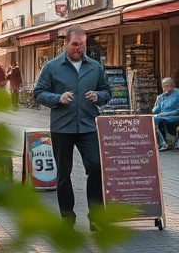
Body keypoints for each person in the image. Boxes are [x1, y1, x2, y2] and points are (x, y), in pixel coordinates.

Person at [33, 27, 112, 229]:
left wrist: (98, 96)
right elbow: (38, 92)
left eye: (82, 44)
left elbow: (107, 91)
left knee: (96, 166)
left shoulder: (95, 67)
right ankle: (67, 218)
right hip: (62, 127)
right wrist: (57, 98)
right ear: (66, 43)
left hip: (88, 125)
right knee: (64, 174)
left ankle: (96, 217)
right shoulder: (52, 67)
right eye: (75, 44)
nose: (79, 48)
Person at [152, 77, 179, 150]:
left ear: (172, 85)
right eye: (163, 86)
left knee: (157, 119)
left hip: (174, 116)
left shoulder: (177, 95)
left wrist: (166, 114)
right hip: (162, 116)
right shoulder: (162, 96)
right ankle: (158, 142)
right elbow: (155, 111)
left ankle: (165, 143)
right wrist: (157, 103)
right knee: (152, 118)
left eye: (167, 86)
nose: (165, 88)